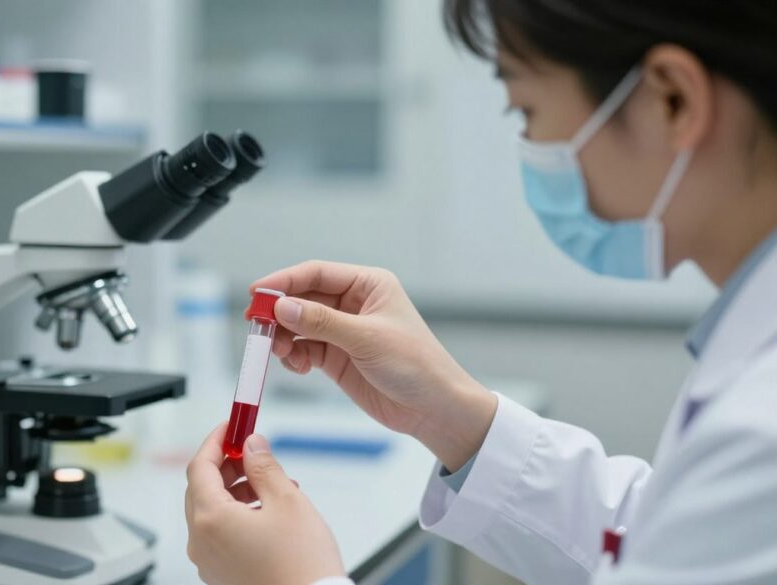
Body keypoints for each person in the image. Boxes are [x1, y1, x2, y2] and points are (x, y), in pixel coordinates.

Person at [185, 1, 777, 583]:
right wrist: (452, 416)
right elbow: (646, 535)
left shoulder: (760, 436)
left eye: (528, 109)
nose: (532, 145)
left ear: (672, 99)